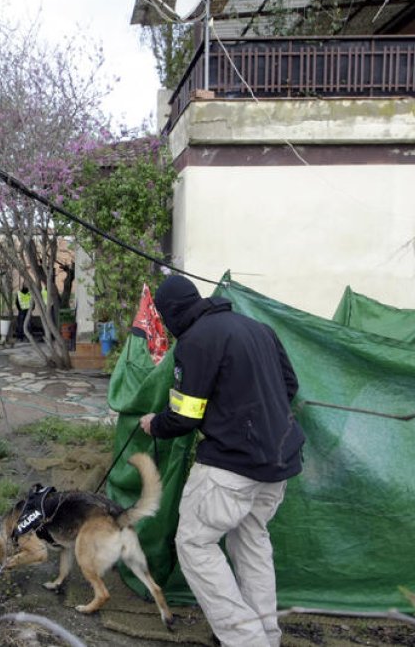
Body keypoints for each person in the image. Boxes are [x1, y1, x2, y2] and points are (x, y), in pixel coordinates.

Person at [138, 274, 304, 647]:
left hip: (231, 466)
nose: (166, 325)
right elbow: (289, 386)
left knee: (194, 544)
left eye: (165, 318)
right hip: (278, 462)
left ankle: (245, 639)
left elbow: (184, 416)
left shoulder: (196, 342)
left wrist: (154, 424)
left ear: (175, 313)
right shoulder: (259, 329)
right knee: (251, 541)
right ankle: (265, 634)